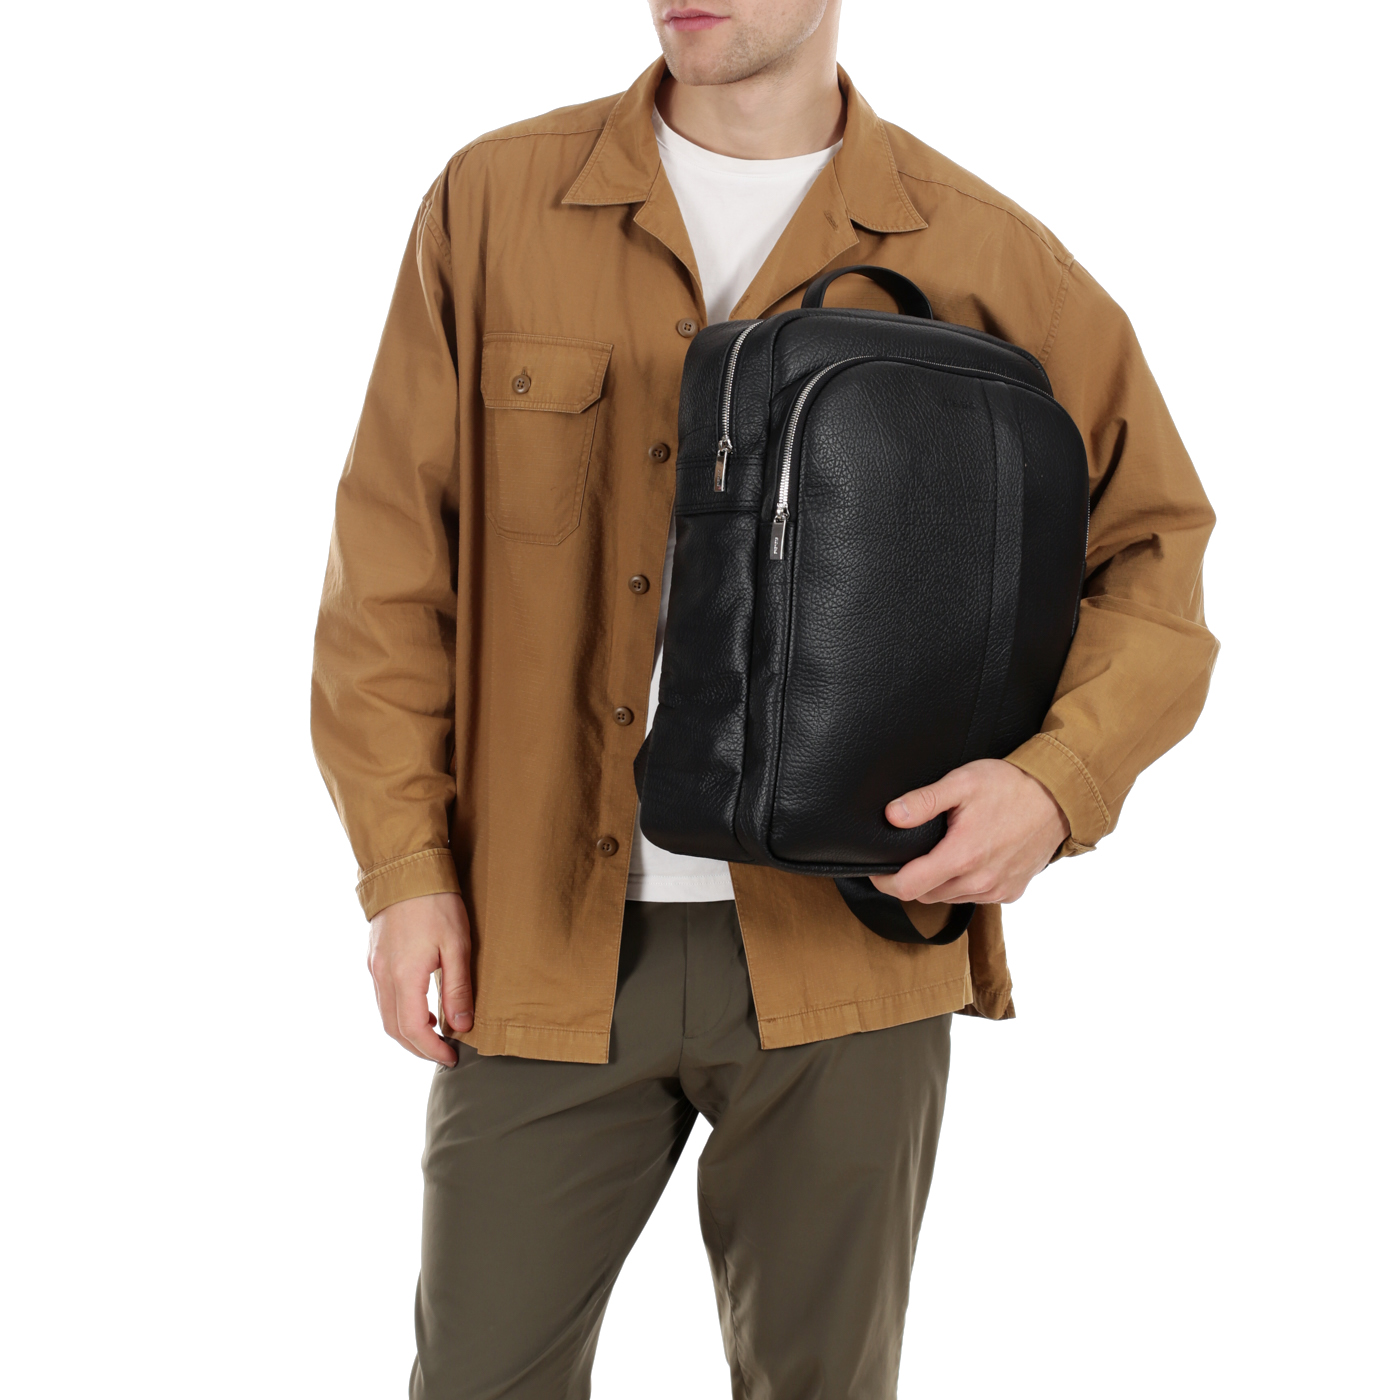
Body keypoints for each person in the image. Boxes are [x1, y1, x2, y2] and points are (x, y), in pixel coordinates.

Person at [311, 2, 1218, 1395]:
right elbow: (388, 572)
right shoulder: (492, 205)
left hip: (854, 943)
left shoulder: (987, 256)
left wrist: (1053, 784)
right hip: (536, 941)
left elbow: (1155, 556)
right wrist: (404, 867)